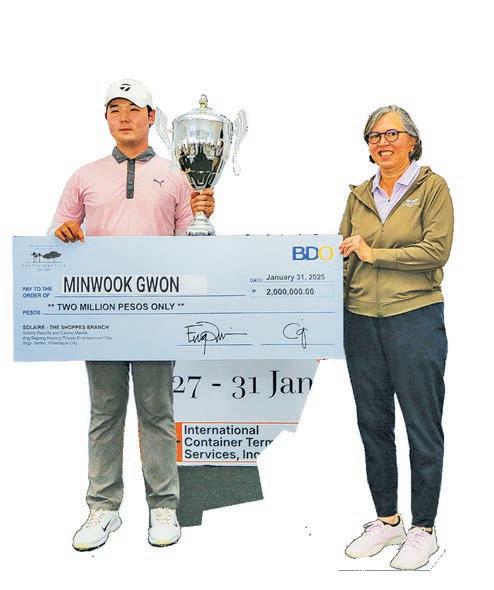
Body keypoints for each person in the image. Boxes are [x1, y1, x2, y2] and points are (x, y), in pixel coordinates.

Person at [49, 78, 215, 551]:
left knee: (156, 411)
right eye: (114, 109)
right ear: (106, 118)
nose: (124, 117)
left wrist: (204, 215)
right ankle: (103, 508)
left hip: (156, 314)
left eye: (133, 108)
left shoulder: (177, 175)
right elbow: (58, 234)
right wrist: (64, 233)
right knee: (104, 412)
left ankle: (163, 505)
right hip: (101, 314)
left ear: (151, 117)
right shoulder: (84, 176)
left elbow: (191, 245)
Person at [339, 105, 453, 570]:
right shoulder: (358, 195)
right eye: (373, 136)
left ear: (412, 140)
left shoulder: (432, 188)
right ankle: (387, 521)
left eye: (391, 134)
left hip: (414, 318)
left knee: (422, 426)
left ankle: (423, 529)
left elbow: (435, 251)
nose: (382, 142)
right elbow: (343, 257)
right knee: (373, 424)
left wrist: (375, 253)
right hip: (361, 321)